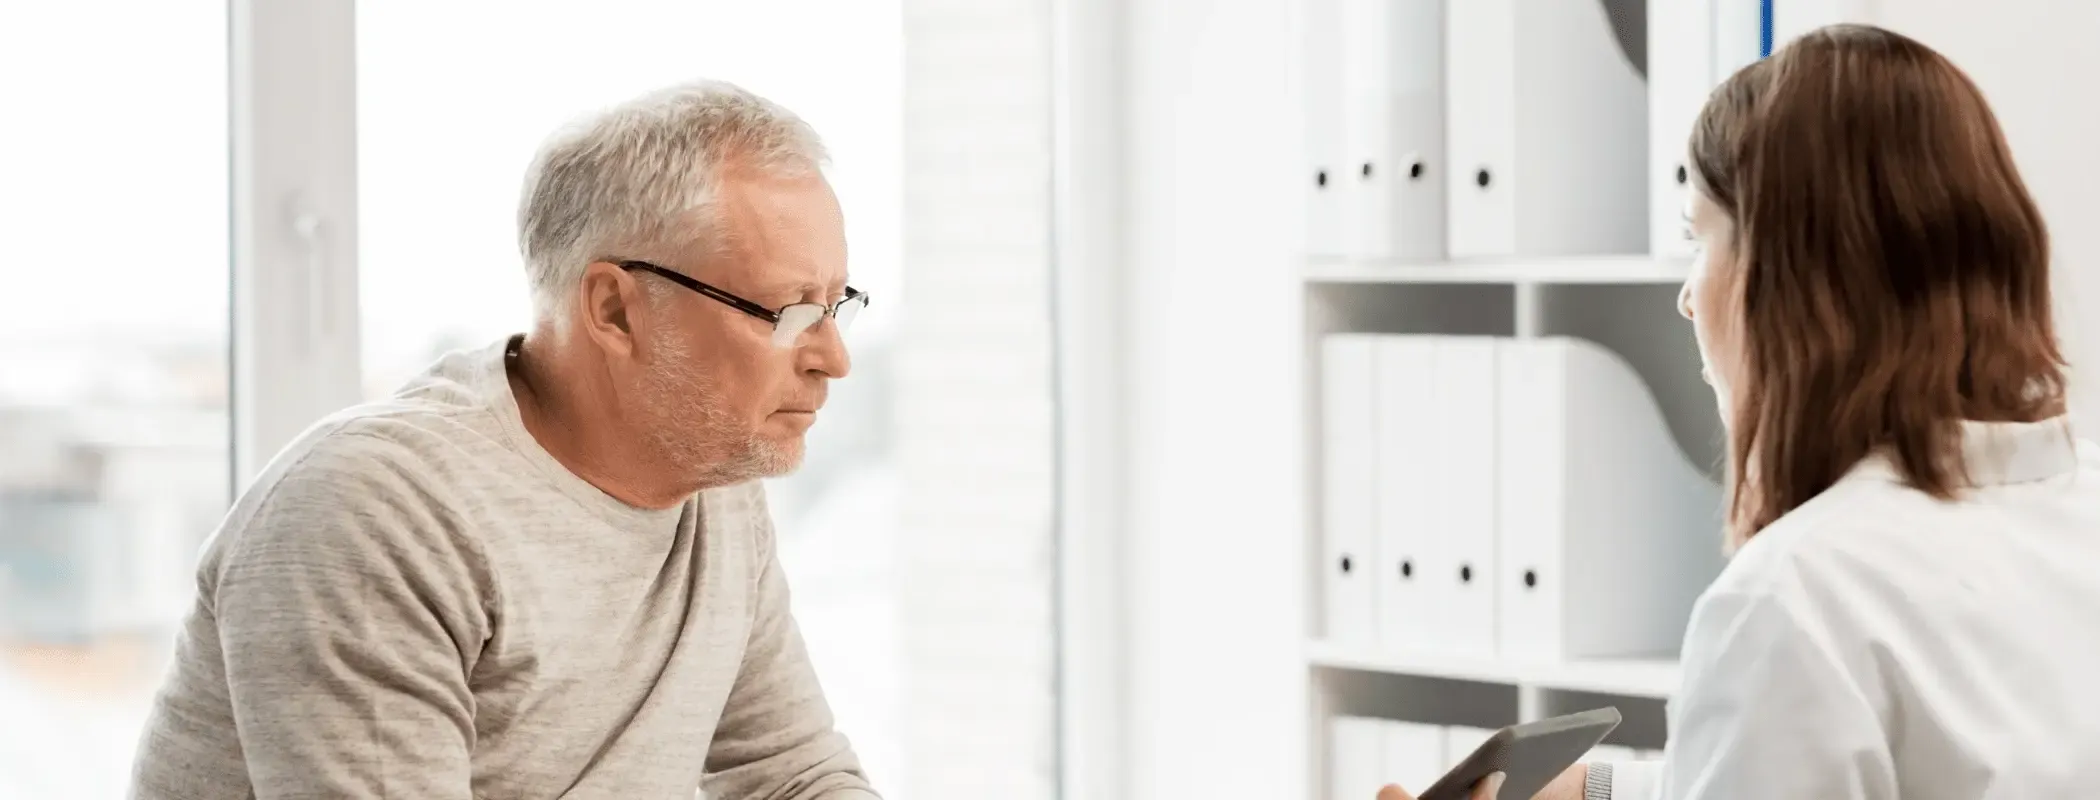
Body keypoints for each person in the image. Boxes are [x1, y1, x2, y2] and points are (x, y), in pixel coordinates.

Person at [1380, 23, 2100, 800]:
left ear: (1789, 279)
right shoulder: (2076, 503)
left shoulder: (1797, 598)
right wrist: (1598, 791)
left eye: (1700, 239)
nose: (1688, 299)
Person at [128, 80, 878, 798]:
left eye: (832, 306)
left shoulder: (715, 487)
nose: (833, 358)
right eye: (787, 311)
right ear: (616, 310)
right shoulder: (377, 512)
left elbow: (794, 777)